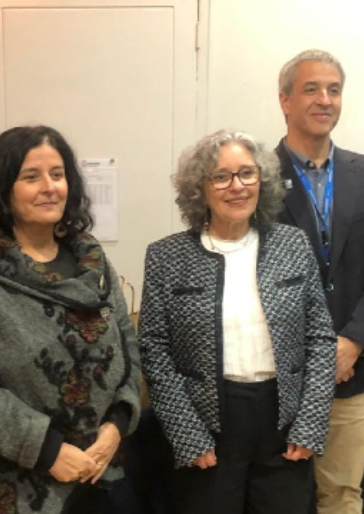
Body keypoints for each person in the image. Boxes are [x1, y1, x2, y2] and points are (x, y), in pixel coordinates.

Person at [0, 125, 142, 514]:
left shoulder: (91, 264)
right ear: (1, 190)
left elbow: (128, 348)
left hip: (97, 474)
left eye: (57, 175)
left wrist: (117, 424)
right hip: (5, 488)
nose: (49, 187)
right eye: (31, 177)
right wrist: (47, 451)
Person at [140, 129, 337, 513]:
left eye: (247, 174)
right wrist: (187, 433)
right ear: (200, 188)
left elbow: (320, 338)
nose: (237, 186)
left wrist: (311, 422)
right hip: (208, 423)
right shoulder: (167, 257)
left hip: (283, 420)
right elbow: (153, 349)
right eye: (222, 176)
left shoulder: (292, 245)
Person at [274, 49, 364, 514]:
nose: (325, 99)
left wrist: (353, 341)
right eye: (311, 88)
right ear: (285, 100)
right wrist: (312, 353)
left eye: (334, 89)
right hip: (279, 376)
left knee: (343, 495)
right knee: (282, 496)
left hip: (353, 371)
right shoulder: (254, 177)